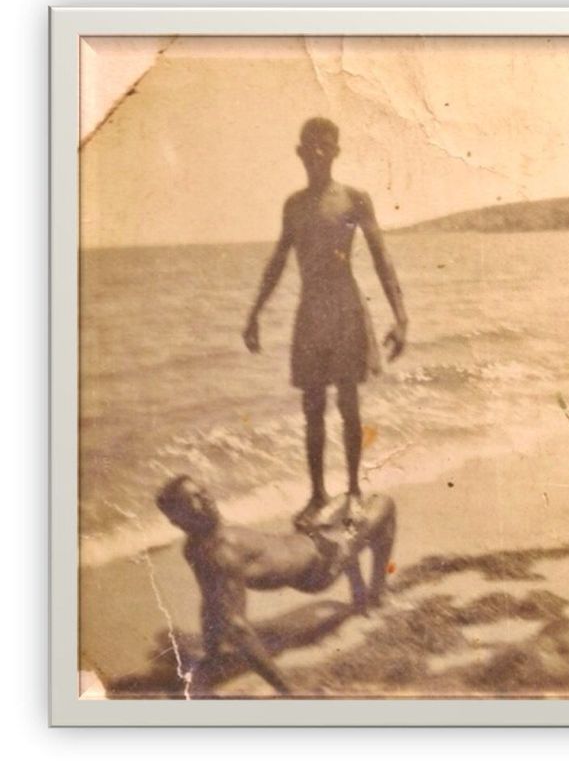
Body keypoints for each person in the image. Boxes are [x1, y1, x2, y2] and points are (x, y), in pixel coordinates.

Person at [243, 117, 408, 529]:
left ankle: (353, 490)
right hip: (311, 311)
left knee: (349, 403)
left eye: (326, 147)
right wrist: (255, 314)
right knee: (311, 407)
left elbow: (381, 258)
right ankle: (317, 494)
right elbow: (279, 260)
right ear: (299, 152)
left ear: (336, 152)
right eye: (310, 147)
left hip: (347, 309)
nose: (317, 154)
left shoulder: (354, 199)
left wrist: (401, 316)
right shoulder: (294, 205)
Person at [156, 475, 396, 695]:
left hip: (310, 541)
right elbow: (237, 627)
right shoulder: (219, 553)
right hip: (321, 566)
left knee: (346, 504)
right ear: (176, 519)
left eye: (202, 492)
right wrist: (288, 688)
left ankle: (361, 592)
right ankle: (376, 593)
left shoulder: (196, 545)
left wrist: (212, 654)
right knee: (384, 504)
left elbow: (212, 602)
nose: (205, 500)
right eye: (192, 501)